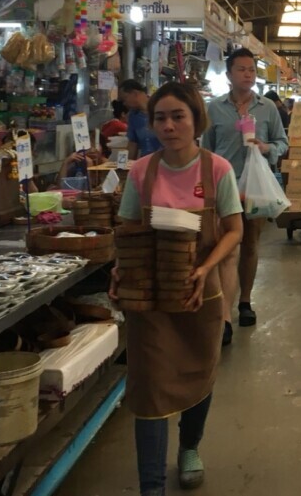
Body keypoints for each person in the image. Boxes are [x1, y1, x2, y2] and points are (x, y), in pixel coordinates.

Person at [111, 82, 243, 494]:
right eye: (161, 118)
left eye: (178, 116)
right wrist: (119, 269)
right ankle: (151, 486)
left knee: (198, 376)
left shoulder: (217, 169)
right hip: (149, 299)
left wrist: (206, 268)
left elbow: (234, 230)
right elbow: (128, 229)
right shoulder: (141, 171)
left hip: (198, 295)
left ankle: (190, 446)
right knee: (149, 390)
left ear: (195, 119)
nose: (169, 126)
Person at [201, 48, 288, 344]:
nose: (248, 74)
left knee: (250, 243)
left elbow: (282, 142)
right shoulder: (214, 109)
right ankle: (222, 308)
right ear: (228, 74)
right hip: (224, 186)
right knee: (225, 247)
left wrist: (268, 148)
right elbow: (206, 149)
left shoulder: (267, 108)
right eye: (241, 69)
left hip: (255, 186)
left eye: (252, 69)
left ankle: (245, 301)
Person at [121, 80, 161, 159]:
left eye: (125, 98)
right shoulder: (133, 116)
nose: (124, 103)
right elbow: (133, 144)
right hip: (144, 163)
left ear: (135, 94)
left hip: (165, 162)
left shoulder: (160, 109)